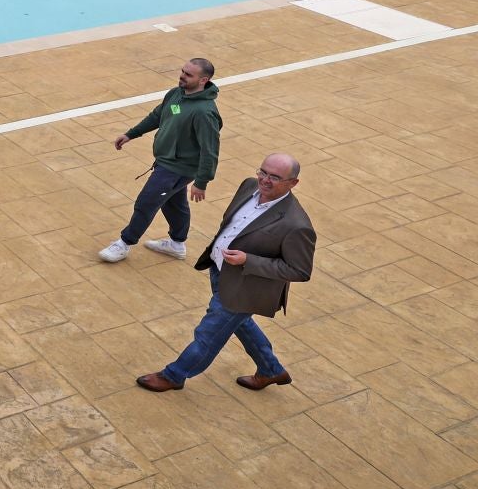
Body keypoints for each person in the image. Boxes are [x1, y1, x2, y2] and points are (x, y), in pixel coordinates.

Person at [136, 152, 315, 392]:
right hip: (220, 271)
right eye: (263, 172)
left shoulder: (296, 224)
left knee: (208, 334)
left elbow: (299, 270)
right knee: (237, 323)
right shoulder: (249, 185)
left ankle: (174, 376)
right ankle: (271, 369)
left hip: (247, 288)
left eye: (275, 177)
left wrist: (248, 260)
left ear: (293, 183)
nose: (265, 180)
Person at [97, 58, 221, 263]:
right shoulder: (176, 94)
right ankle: (177, 244)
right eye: (183, 71)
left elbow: (210, 151)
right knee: (174, 203)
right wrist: (131, 134)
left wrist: (201, 182)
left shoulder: (204, 112)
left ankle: (124, 243)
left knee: (147, 202)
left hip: (178, 168)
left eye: (189, 74)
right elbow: (158, 115)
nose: (182, 75)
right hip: (167, 162)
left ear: (203, 80)